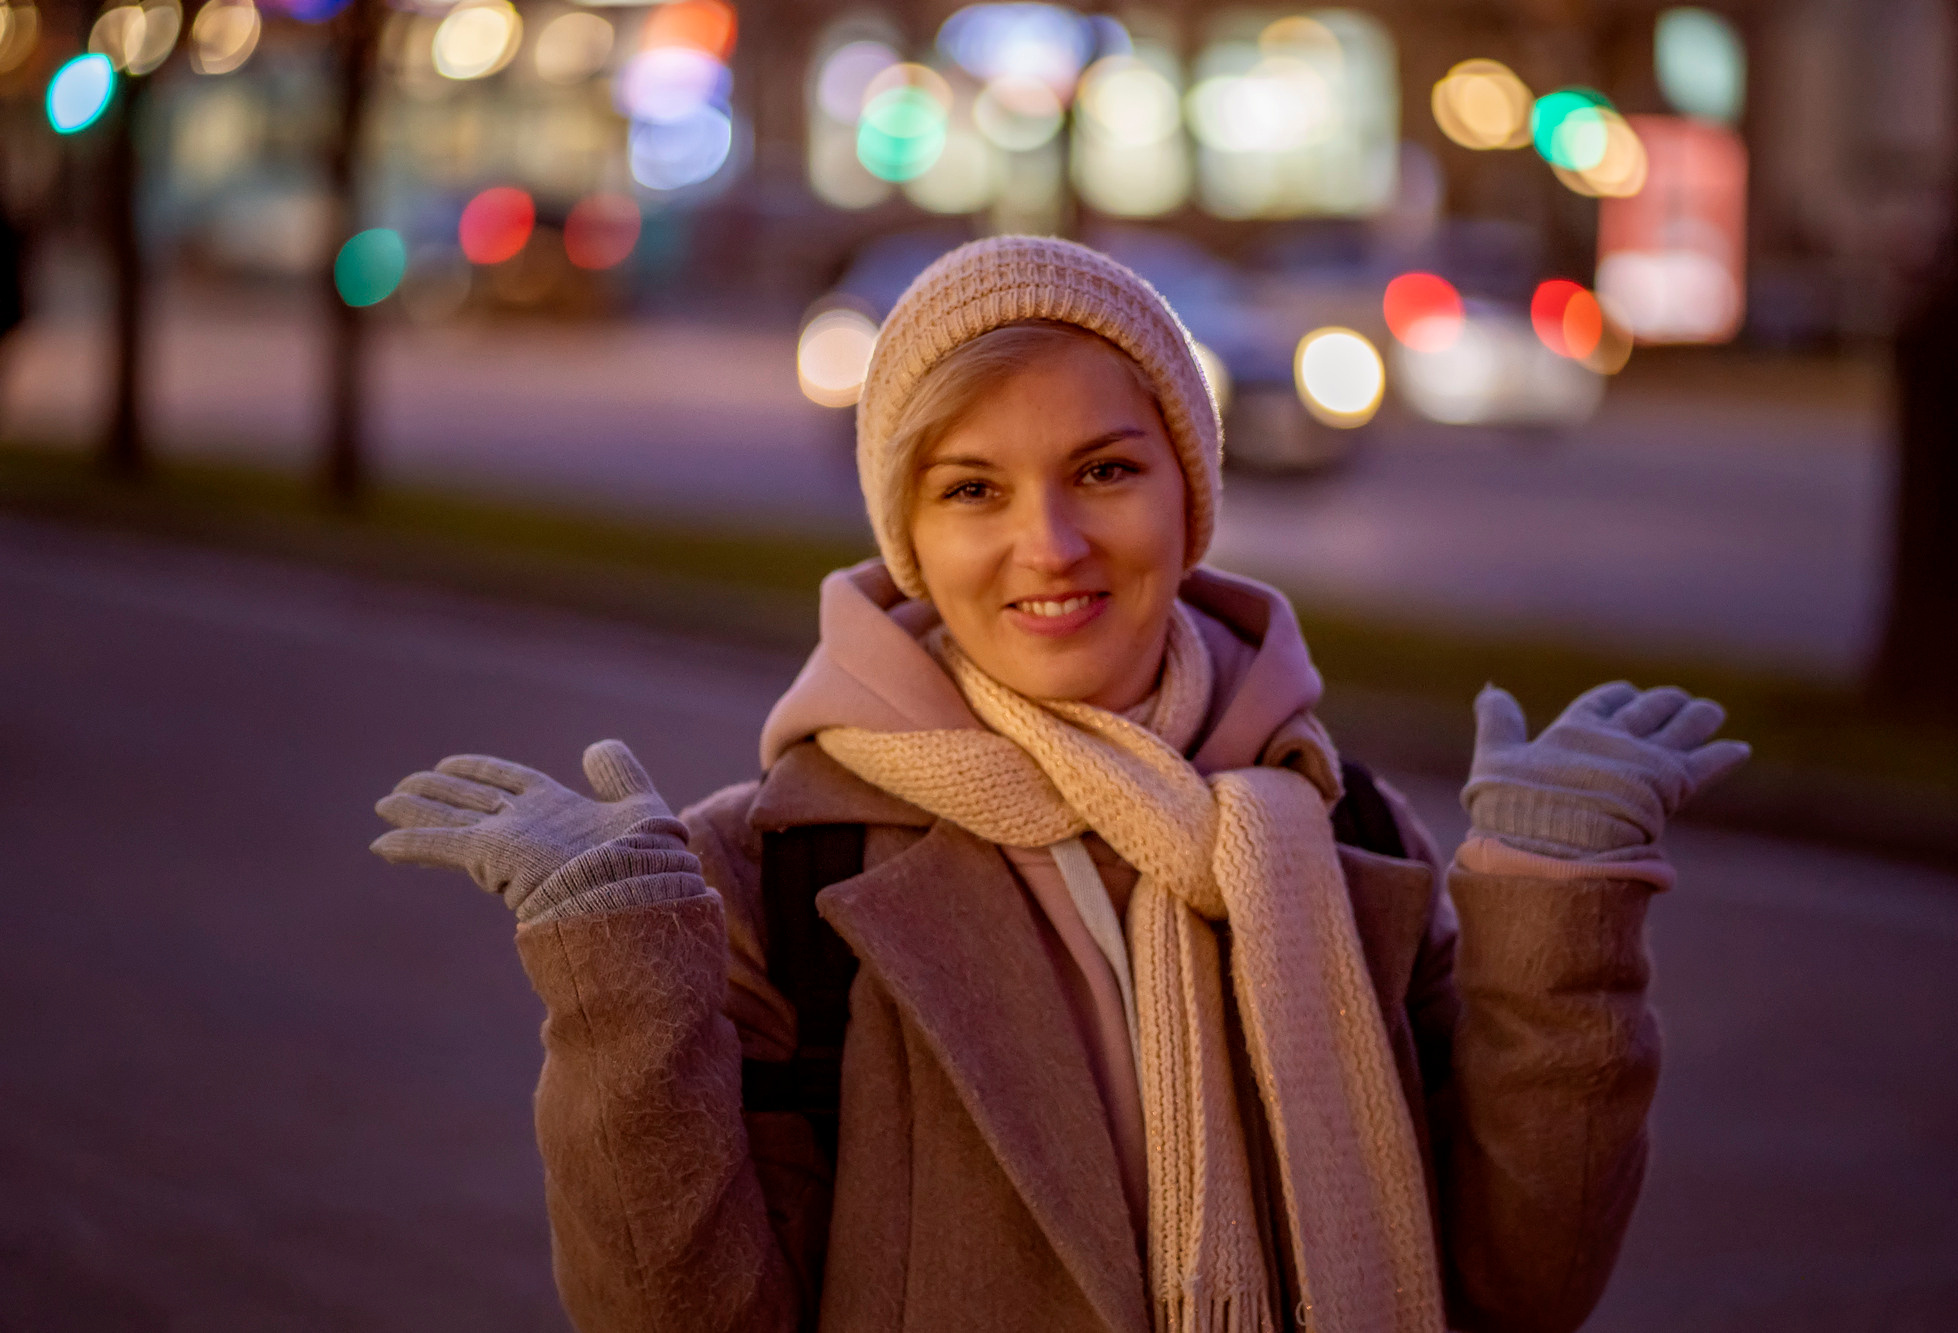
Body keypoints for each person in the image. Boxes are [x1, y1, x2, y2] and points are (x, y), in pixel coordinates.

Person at [369, 237, 1748, 1333]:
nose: (1054, 542)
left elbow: (1524, 1283)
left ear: (1187, 493)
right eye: (973, 488)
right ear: (905, 532)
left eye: (1104, 468)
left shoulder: (1337, 826)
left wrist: (1556, 912)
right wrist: (622, 984)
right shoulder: (779, 873)